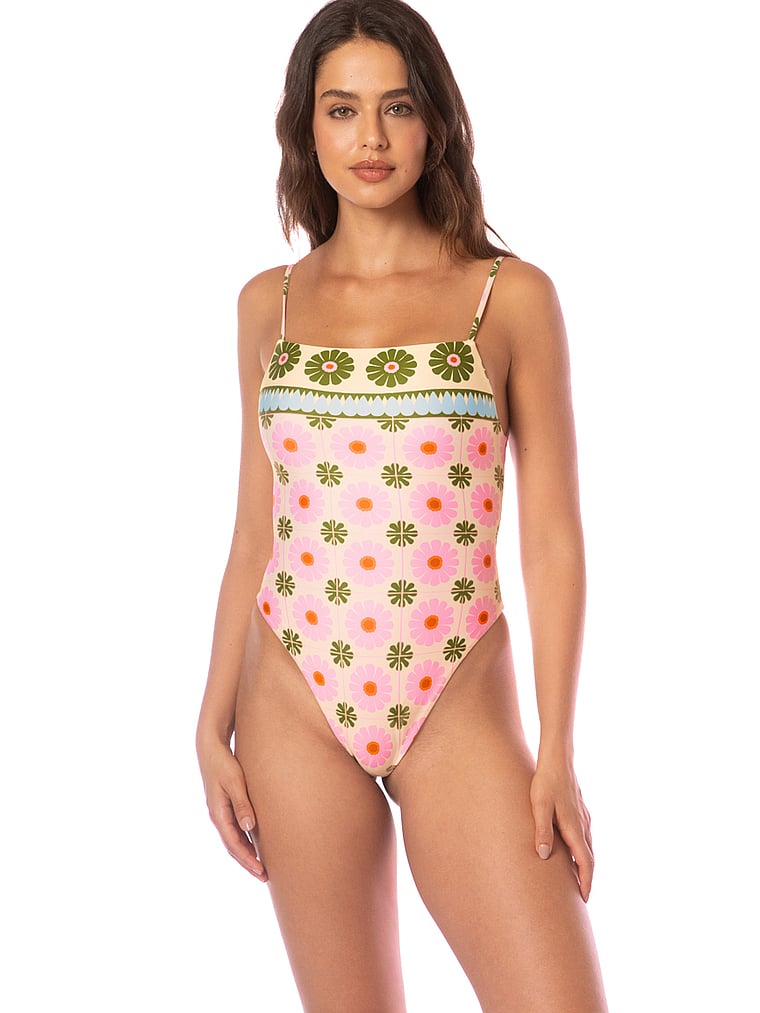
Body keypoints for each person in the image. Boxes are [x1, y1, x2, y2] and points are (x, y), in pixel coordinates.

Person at [196, 1, 608, 1009]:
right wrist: (210, 724)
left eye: (398, 107)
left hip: (453, 698)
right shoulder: (267, 304)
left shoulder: (508, 296)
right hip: (290, 698)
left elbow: (553, 541)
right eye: (342, 110)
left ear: (436, 123)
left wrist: (557, 748)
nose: (370, 138)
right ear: (306, 127)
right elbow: (255, 530)